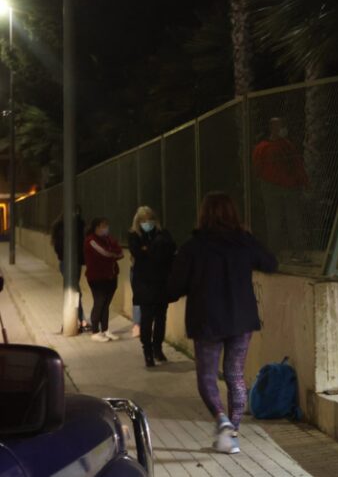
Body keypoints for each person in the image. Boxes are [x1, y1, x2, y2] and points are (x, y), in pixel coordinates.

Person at [167, 192, 277, 454]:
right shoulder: (244, 242)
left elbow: (173, 288)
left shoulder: (192, 247)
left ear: (203, 214)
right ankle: (233, 435)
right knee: (235, 375)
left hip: (207, 321)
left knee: (207, 376)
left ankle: (222, 420)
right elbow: (271, 262)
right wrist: (248, 242)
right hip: (241, 320)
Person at [252, 117, 308, 261]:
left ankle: (277, 252)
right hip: (285, 187)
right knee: (288, 220)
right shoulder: (280, 146)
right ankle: (293, 252)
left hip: (275, 188)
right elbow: (296, 165)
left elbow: (258, 170)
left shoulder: (264, 148)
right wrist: (302, 181)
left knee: (277, 220)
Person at [128, 206, 176, 368]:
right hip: (144, 283)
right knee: (147, 318)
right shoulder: (134, 235)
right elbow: (137, 252)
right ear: (138, 221)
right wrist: (152, 250)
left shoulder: (163, 234)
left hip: (161, 283)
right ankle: (147, 352)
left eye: (149, 220)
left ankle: (158, 348)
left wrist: (148, 250)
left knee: (161, 318)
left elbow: (169, 251)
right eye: (143, 221)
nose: (147, 223)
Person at [83, 217, 123, 342]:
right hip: (97, 277)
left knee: (106, 304)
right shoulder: (90, 240)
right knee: (99, 302)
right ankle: (95, 331)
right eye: (103, 226)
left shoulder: (109, 239)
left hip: (111, 276)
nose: (106, 228)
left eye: (107, 226)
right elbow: (104, 253)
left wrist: (113, 254)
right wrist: (113, 254)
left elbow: (120, 253)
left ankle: (105, 329)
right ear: (96, 227)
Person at [51, 206, 87, 332]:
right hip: (67, 262)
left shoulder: (78, 226)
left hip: (75, 263)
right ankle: (77, 319)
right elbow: (59, 246)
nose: (75, 214)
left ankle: (79, 319)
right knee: (74, 290)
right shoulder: (61, 227)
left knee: (74, 290)